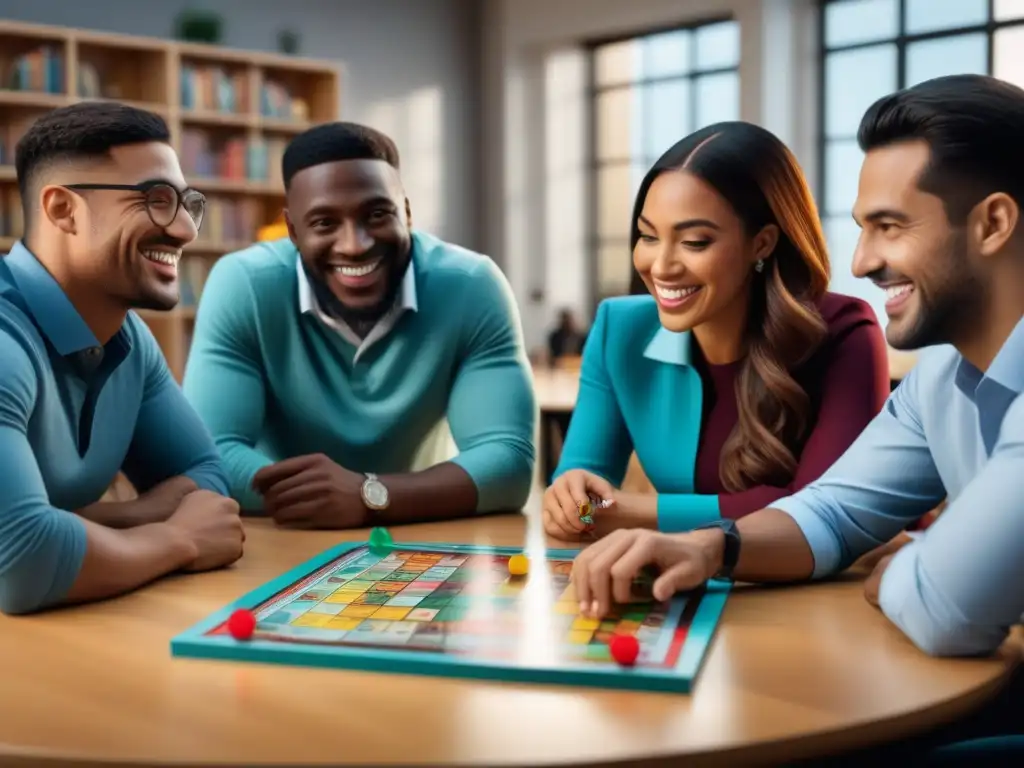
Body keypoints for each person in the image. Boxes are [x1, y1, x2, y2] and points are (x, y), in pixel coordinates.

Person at [570, 75, 1024, 752]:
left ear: (992, 224)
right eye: (862, 228)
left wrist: (918, 558)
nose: (862, 261)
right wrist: (710, 548)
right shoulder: (938, 384)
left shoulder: (854, 338)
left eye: (889, 227)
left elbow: (943, 613)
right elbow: (833, 514)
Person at [543, 121, 889, 539]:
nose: (661, 266)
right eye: (648, 237)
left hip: (820, 590)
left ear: (761, 244)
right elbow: (581, 494)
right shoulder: (620, 329)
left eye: (694, 242)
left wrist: (631, 510)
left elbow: (826, 508)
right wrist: (571, 501)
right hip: (688, 576)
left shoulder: (845, 333)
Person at [182, 122, 535, 528]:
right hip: (281, 537)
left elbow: (508, 460)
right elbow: (210, 457)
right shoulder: (244, 285)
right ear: (293, 230)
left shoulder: (471, 285)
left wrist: (370, 495)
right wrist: (333, 499)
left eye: (377, 214)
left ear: (406, 212)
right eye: (324, 223)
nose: (355, 243)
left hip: (424, 531)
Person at [0, 101, 244, 615]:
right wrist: (180, 540)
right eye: (156, 200)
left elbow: (207, 481)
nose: (184, 230)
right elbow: (23, 563)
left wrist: (92, 521)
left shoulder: (129, 339)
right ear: (63, 210)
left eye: (187, 204)